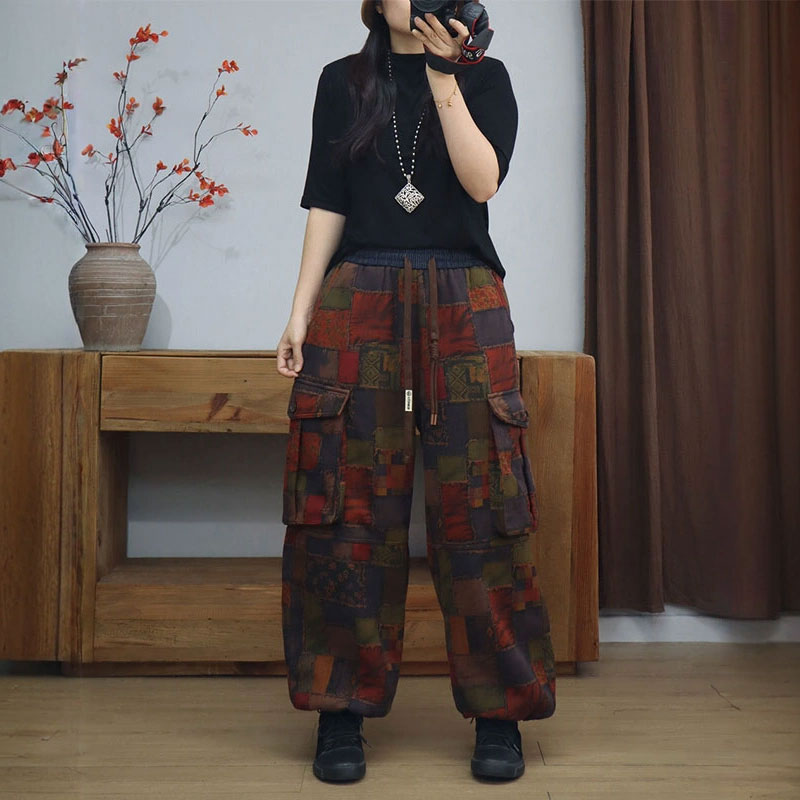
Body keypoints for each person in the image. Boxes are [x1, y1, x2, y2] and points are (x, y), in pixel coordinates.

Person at [276, 0, 556, 784]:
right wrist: (298, 313)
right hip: (358, 298)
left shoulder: (486, 79)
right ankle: (340, 709)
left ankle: (499, 713)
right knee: (345, 506)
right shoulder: (342, 83)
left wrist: (443, 75)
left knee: (483, 505)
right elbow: (327, 202)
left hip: (464, 298)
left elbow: (482, 180)